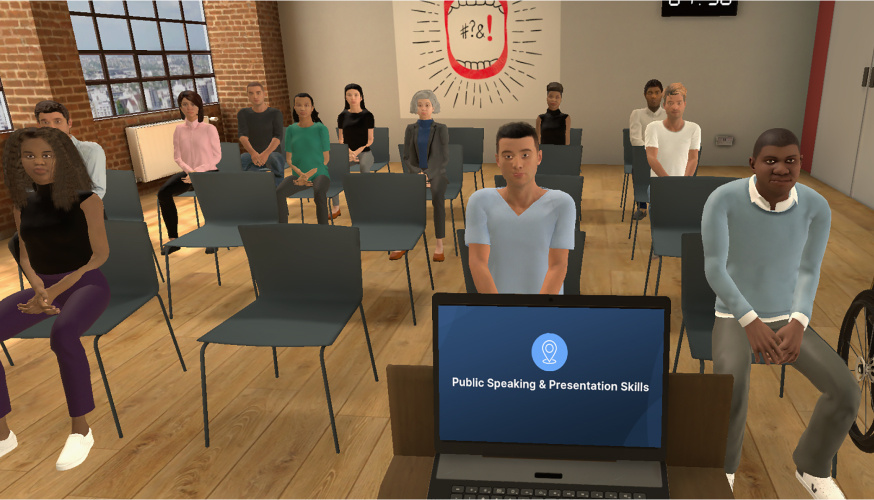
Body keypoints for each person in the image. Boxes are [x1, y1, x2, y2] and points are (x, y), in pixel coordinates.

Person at [702, 128, 859, 499]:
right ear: (753, 163)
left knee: (846, 391)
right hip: (734, 317)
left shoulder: (817, 206)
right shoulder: (722, 199)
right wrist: (749, 320)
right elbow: (714, 269)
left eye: (791, 160)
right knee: (731, 388)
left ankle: (812, 467)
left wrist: (799, 321)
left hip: (788, 318)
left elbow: (809, 270)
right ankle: (722, 472)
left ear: (801, 163)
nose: (781, 169)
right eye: (771, 160)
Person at [0, 127, 110, 471]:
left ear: (62, 157)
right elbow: (25, 252)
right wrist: (37, 287)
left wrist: (55, 292)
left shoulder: (87, 200)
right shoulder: (23, 204)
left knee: (62, 334)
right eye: (29, 155)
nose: (38, 162)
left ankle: (82, 429)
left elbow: (99, 257)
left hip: (85, 284)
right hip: (43, 287)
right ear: (18, 161)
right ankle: (4, 434)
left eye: (47, 155)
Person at [465, 122, 576, 294]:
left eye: (525, 155)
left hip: (545, 310)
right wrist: (499, 310)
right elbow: (477, 262)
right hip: (496, 310)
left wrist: (536, 312)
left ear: (539, 157)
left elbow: (558, 265)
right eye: (508, 156)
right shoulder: (480, 201)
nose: (517, 164)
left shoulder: (562, 203)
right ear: (498, 160)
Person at [7, 100, 107, 266]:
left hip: (83, 212)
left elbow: (97, 190)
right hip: (48, 212)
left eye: (57, 121)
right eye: (45, 123)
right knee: (17, 242)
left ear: (69, 124)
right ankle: (46, 283)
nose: (52, 127)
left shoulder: (90, 150)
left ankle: (76, 280)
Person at [158, 90, 221, 255]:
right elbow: (177, 157)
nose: (189, 107)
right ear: (180, 107)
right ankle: (173, 240)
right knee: (163, 193)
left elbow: (216, 157)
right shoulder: (179, 130)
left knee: (206, 196)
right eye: (185, 104)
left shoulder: (209, 129)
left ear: (199, 107)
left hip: (208, 173)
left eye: (192, 104)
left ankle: (213, 237)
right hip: (188, 175)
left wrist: (197, 172)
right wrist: (190, 172)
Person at [396, 89, 449, 262]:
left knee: (437, 198)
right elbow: (407, 156)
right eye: (420, 105)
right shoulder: (410, 129)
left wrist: (428, 175)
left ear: (433, 107)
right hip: (416, 173)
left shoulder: (441, 128)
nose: (423, 108)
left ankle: (439, 243)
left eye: (427, 105)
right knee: (407, 200)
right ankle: (404, 240)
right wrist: (418, 173)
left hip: (437, 173)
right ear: (415, 108)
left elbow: (442, 157)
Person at [635, 82, 701, 222]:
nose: (675, 107)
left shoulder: (694, 129)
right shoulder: (653, 128)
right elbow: (651, 157)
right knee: (661, 219)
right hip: (659, 185)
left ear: (684, 104)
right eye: (670, 103)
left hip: (684, 185)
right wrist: (668, 182)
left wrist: (683, 183)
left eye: (679, 102)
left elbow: (693, 158)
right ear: (664, 105)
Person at [276, 92, 332, 225]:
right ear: (294, 108)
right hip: (298, 177)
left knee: (318, 191)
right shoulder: (290, 130)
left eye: (306, 105)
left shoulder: (321, 129)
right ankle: (282, 228)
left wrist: (308, 175)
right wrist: (300, 175)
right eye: (299, 105)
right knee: (278, 193)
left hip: (319, 174)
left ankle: (324, 230)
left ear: (312, 108)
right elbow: (289, 159)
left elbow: (326, 159)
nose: (302, 108)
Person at [628, 79, 666, 219]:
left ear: (662, 94)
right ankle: (642, 207)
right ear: (645, 95)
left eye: (657, 92)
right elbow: (635, 139)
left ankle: (661, 205)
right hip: (644, 157)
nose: (654, 96)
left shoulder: (668, 114)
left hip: (664, 156)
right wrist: (652, 152)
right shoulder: (637, 114)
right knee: (639, 168)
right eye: (650, 93)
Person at [337, 83, 375, 219]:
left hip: (365, 152)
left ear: (361, 97)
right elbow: (341, 139)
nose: (352, 97)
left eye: (356, 95)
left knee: (364, 168)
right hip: (347, 153)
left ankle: (366, 203)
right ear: (345, 97)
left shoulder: (368, 115)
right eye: (349, 95)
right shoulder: (342, 116)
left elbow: (370, 140)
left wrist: (356, 153)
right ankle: (336, 207)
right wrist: (349, 153)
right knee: (335, 170)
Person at [238, 82, 285, 186]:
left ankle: (278, 191)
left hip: (272, 153)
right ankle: (250, 188)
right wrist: (253, 153)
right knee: (241, 159)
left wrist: (265, 154)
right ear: (248, 95)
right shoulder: (243, 113)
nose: (255, 96)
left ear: (264, 94)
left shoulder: (275, 113)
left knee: (273, 158)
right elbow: (242, 136)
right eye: (251, 93)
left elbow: (277, 137)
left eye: (258, 93)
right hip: (252, 155)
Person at [535, 82, 570, 146]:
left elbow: (567, 142)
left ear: (561, 99)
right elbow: (537, 142)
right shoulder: (540, 118)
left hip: (561, 153)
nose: (553, 100)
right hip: (544, 153)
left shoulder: (566, 118)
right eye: (550, 96)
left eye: (557, 97)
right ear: (547, 98)